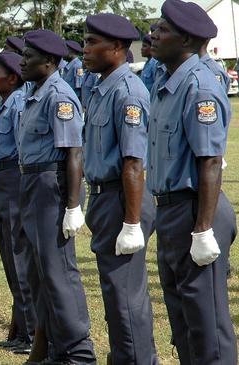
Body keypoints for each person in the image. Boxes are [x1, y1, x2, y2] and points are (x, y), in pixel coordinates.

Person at [148, 1, 237, 363]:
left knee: (207, 323)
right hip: (171, 210)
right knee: (182, 319)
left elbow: (211, 160)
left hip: (197, 210)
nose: (152, 35)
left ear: (186, 38)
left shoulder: (199, 87)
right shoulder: (166, 82)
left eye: (162, 30)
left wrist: (202, 230)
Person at [82, 13, 158, 365]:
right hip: (105, 198)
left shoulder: (128, 92)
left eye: (91, 43)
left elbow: (133, 163)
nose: (85, 50)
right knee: (115, 293)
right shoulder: (102, 87)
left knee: (125, 294)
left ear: (117, 47)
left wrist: (131, 223)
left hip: (122, 200)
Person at [17, 29, 96, 364]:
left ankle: (79, 352)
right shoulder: (36, 92)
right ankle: (55, 348)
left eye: (28, 56)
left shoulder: (59, 96)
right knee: (38, 272)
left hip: (51, 186)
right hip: (32, 184)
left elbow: (73, 153)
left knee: (58, 271)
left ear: (48, 62)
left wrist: (72, 205)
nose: (21, 62)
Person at [0, 51, 35, 353]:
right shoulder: (7, 103)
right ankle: (20, 330)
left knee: (20, 260)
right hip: (2, 182)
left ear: (13, 78)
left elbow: (22, 150)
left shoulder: (18, 104)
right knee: (9, 258)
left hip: (15, 182)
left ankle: (31, 334)